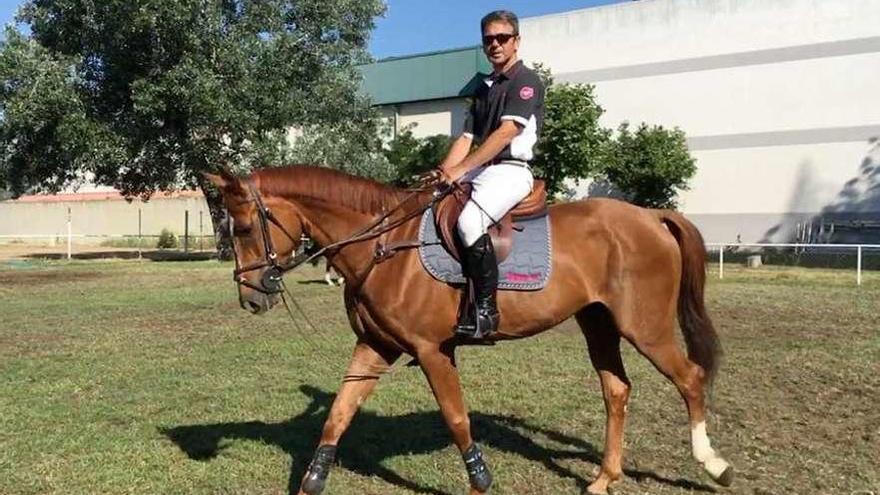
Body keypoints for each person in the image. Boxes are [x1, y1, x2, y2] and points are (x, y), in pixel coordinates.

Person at [438, 10, 545, 339]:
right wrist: (444, 172)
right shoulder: (484, 88)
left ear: (516, 41)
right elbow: (466, 138)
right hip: (483, 170)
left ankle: (486, 311)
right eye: (489, 39)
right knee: (431, 206)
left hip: (512, 171)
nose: (495, 44)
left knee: (470, 222)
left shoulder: (526, 81)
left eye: (503, 38)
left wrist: (461, 169)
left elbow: (505, 133)